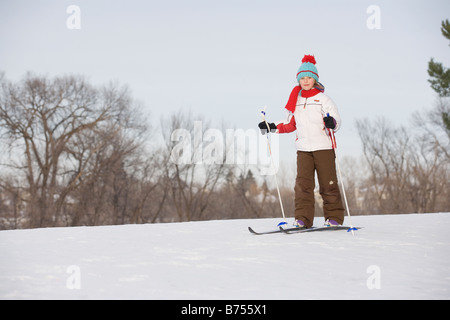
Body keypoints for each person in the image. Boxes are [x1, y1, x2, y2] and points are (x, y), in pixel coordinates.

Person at [258, 55, 345, 229]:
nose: (305, 81)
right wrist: (271, 127)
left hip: (324, 148)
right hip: (304, 149)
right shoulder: (295, 101)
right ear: (299, 79)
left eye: (309, 78)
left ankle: (334, 218)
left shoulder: (323, 99)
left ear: (315, 79)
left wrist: (332, 123)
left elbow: (336, 120)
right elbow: (290, 125)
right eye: (302, 78)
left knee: (328, 184)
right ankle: (303, 219)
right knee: (303, 186)